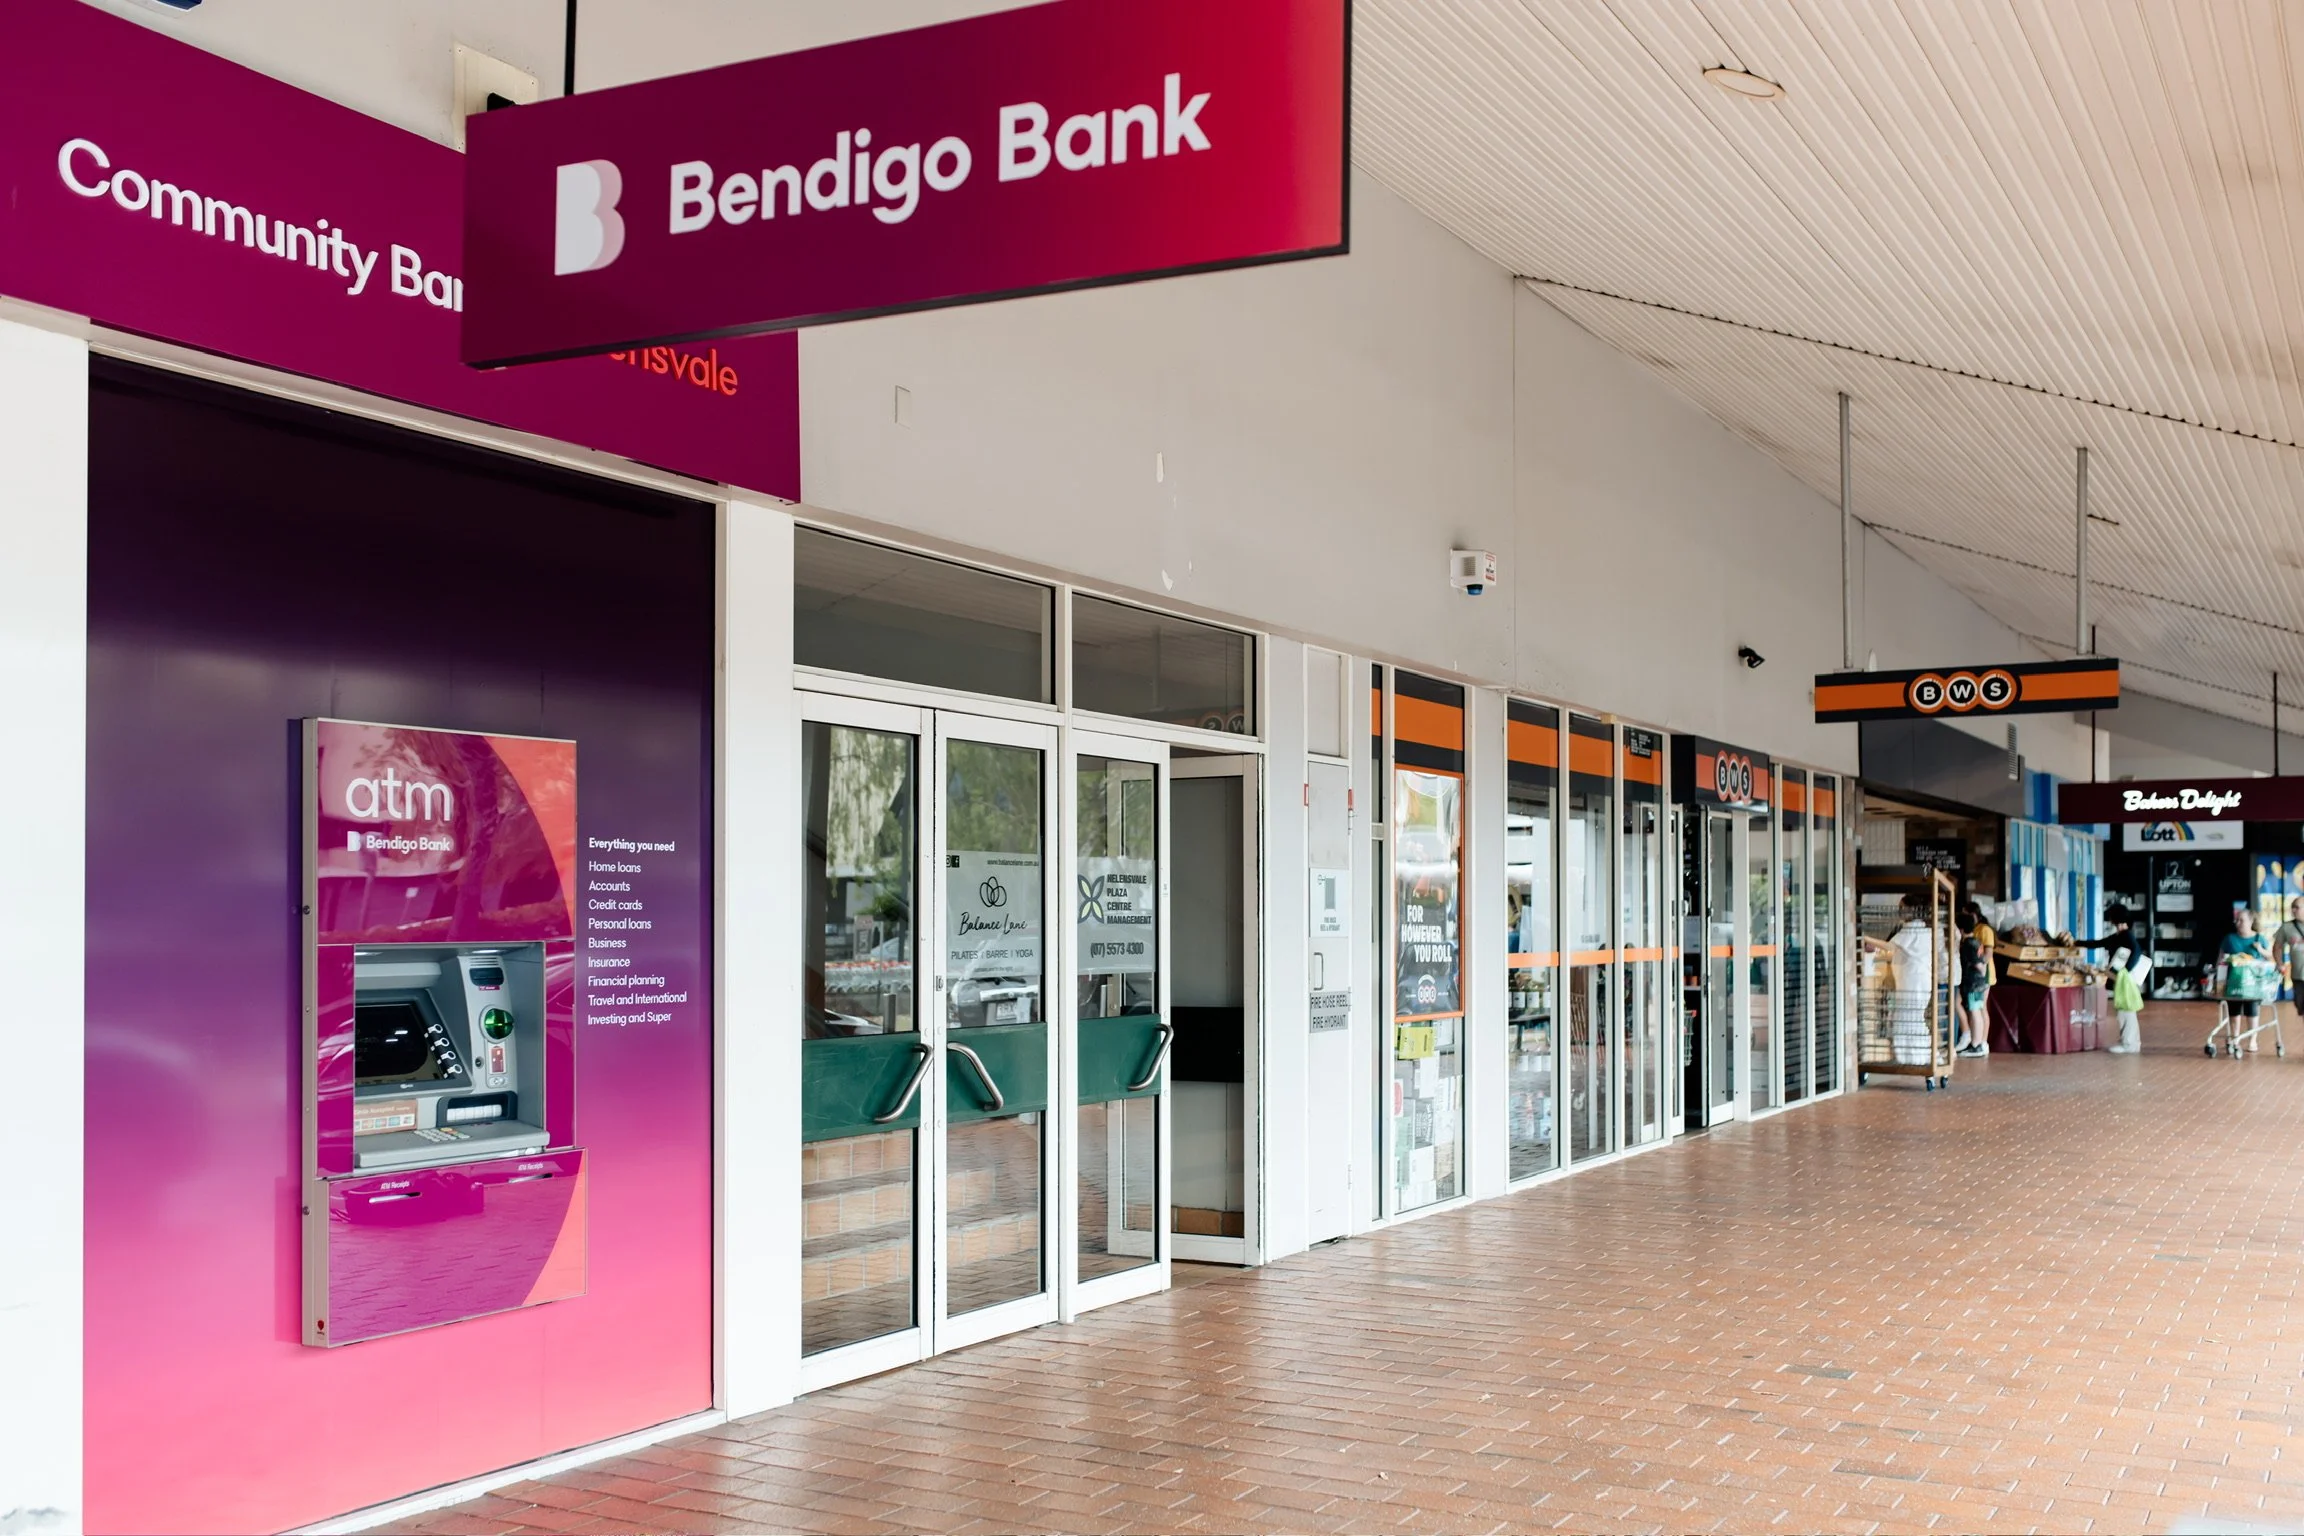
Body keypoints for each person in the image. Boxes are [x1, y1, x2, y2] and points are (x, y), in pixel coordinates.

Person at [1863, 896, 1936, 1067]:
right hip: (1918, 980)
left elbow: (1890, 947)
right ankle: (1915, 1057)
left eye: (1902, 907)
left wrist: (1865, 938)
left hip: (1912, 981)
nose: (1899, 911)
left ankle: (1909, 1058)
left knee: (1905, 1019)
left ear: (1911, 909)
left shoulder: (1911, 930)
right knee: (1913, 1019)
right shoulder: (1923, 929)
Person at [2221, 907, 2275, 1051]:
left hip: (2254, 983)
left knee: (2252, 1010)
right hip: (2234, 981)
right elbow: (2220, 958)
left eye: (2241, 920)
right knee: (2234, 1010)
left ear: (2251, 921)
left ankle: (2252, 1040)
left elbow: (2270, 958)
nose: (2238, 923)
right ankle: (2235, 1038)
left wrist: (2260, 950)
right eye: (2236, 920)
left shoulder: (2259, 939)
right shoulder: (2229, 938)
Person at [1955, 902, 1991, 1057]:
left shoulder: (1968, 944)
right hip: (1978, 983)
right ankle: (1978, 1043)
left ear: (1961, 930)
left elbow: (1979, 965)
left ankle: (1975, 1045)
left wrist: (1978, 972)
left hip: (1973, 983)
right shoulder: (1975, 942)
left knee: (1975, 1011)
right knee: (1977, 1010)